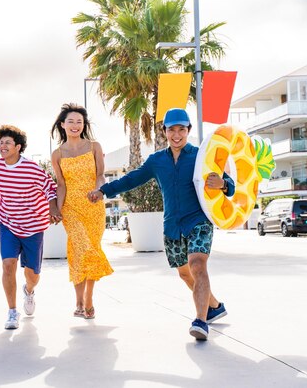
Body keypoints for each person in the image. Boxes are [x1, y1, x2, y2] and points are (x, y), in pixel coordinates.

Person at [88, 108, 233, 341]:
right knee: (186, 274)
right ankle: (214, 306)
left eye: (182, 130)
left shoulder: (201, 156)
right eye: (172, 129)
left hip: (198, 221)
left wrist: (223, 184)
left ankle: (200, 321)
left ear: (188, 131)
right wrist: (104, 190)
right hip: (172, 225)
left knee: (197, 265)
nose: (177, 135)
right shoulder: (157, 161)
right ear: (164, 131)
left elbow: (230, 185)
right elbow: (131, 179)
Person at [0, 125, 61, 330]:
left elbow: (50, 189)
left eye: (7, 142)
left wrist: (53, 209)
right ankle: (11, 311)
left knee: (32, 274)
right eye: (1, 142)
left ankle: (29, 290)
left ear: (18, 147)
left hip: (33, 226)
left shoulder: (32, 169)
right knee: (7, 265)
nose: (3, 146)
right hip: (7, 223)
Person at [50, 103, 114, 319]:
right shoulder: (57, 153)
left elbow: (101, 175)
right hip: (71, 208)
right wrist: (58, 209)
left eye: (79, 121)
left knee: (88, 250)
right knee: (82, 249)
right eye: (71, 121)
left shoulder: (94, 146)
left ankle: (84, 300)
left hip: (94, 206)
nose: (75, 125)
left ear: (84, 124)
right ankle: (84, 301)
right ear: (63, 125)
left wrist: (98, 190)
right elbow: (60, 184)